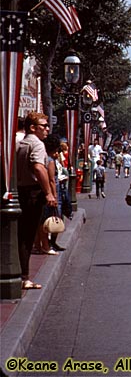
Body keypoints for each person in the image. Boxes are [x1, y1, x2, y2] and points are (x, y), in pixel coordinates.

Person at [15, 112, 57, 290]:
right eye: (44, 125)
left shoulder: (19, 144)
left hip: (19, 190)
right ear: (33, 128)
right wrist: (48, 193)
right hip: (33, 192)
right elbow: (39, 167)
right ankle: (24, 276)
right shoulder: (37, 145)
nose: (47, 129)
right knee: (28, 235)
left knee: (19, 235)